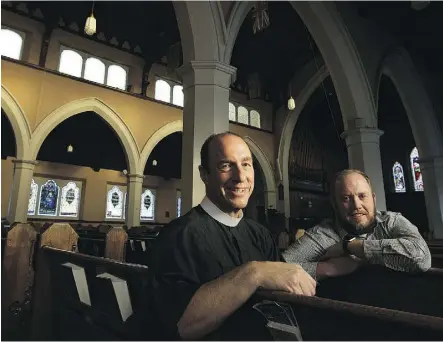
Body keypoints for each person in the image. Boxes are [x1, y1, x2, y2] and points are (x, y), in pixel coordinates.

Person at [148, 132, 315, 340]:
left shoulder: (260, 234)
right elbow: (181, 325)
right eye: (226, 165)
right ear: (204, 174)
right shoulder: (179, 236)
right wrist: (254, 273)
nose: (241, 177)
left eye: (246, 164)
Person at [283, 169, 431, 280]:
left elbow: (421, 258)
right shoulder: (322, 234)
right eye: (346, 198)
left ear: (373, 199)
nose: (356, 205)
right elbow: (279, 268)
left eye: (362, 196)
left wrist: (349, 246)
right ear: (335, 205)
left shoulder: (392, 222)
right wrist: (326, 268)